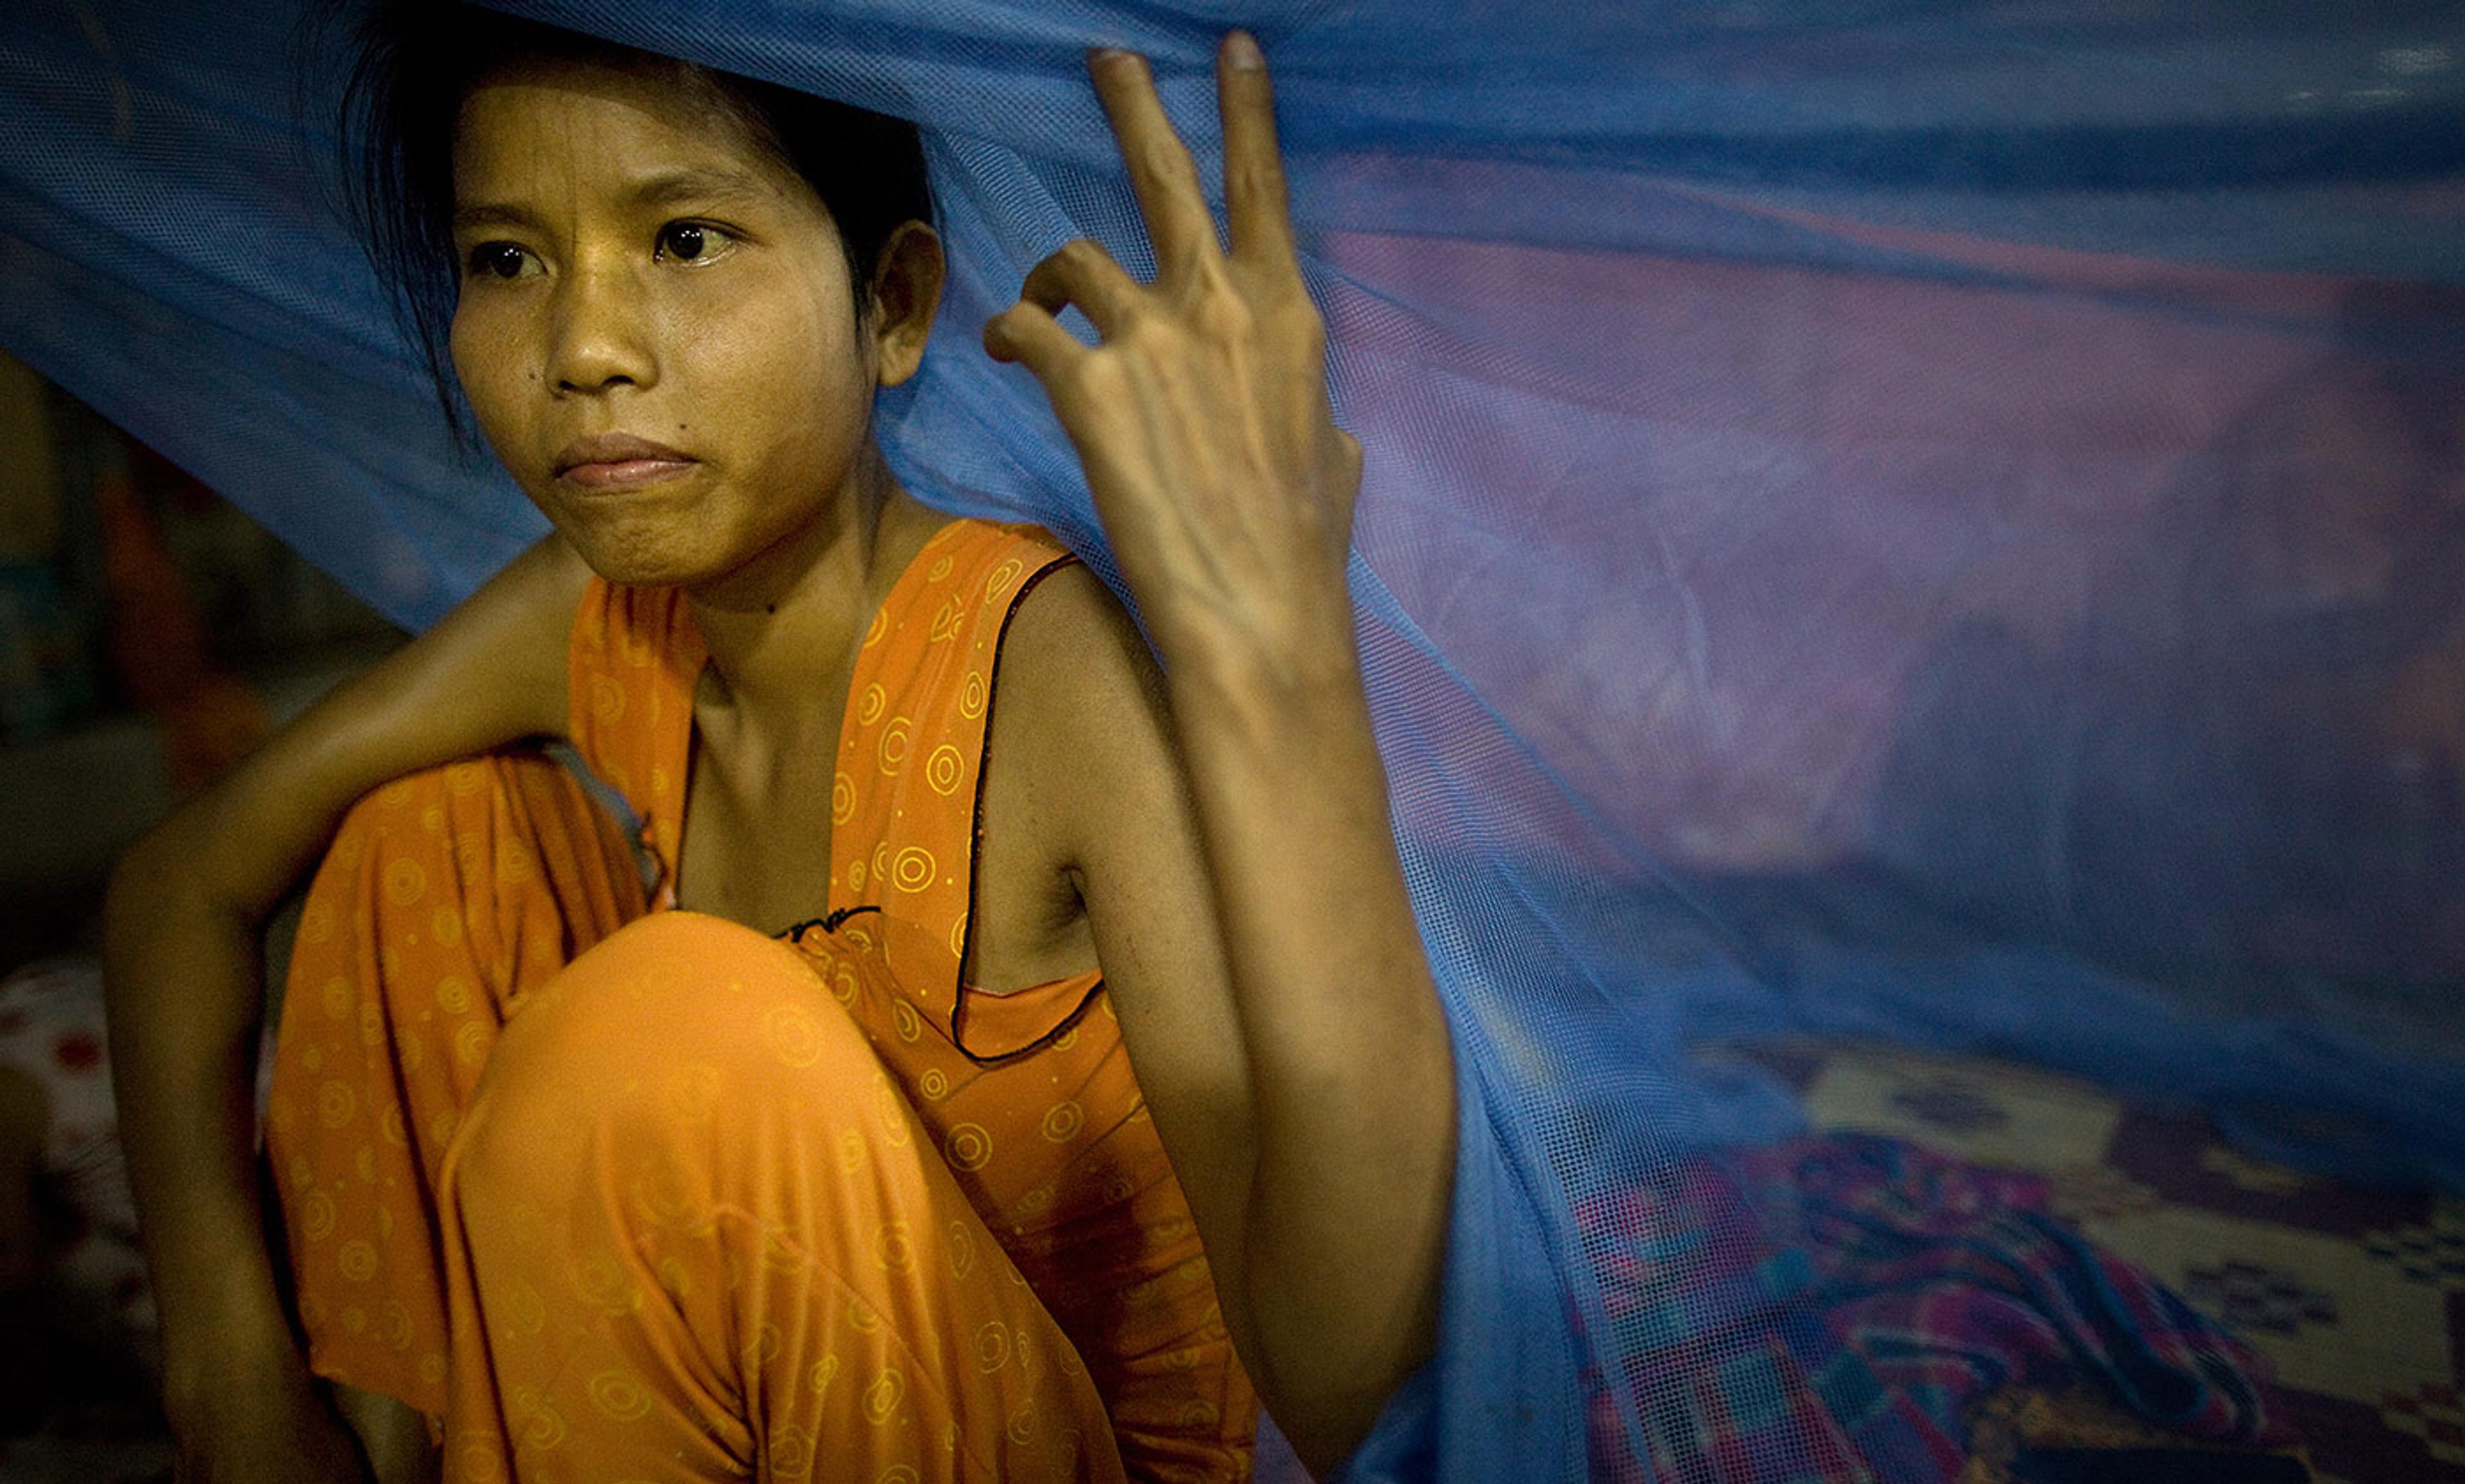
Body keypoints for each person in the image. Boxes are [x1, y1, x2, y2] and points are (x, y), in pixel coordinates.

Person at [101, 4, 1455, 1481]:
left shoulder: (1035, 670)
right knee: (426, 841)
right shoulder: (604, 621)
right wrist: (226, 1372)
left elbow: (1333, 1390)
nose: (587, 347)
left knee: (667, 1024)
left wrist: (1289, 659)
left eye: (684, 239)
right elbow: (177, 886)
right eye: (507, 260)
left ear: (893, 306)